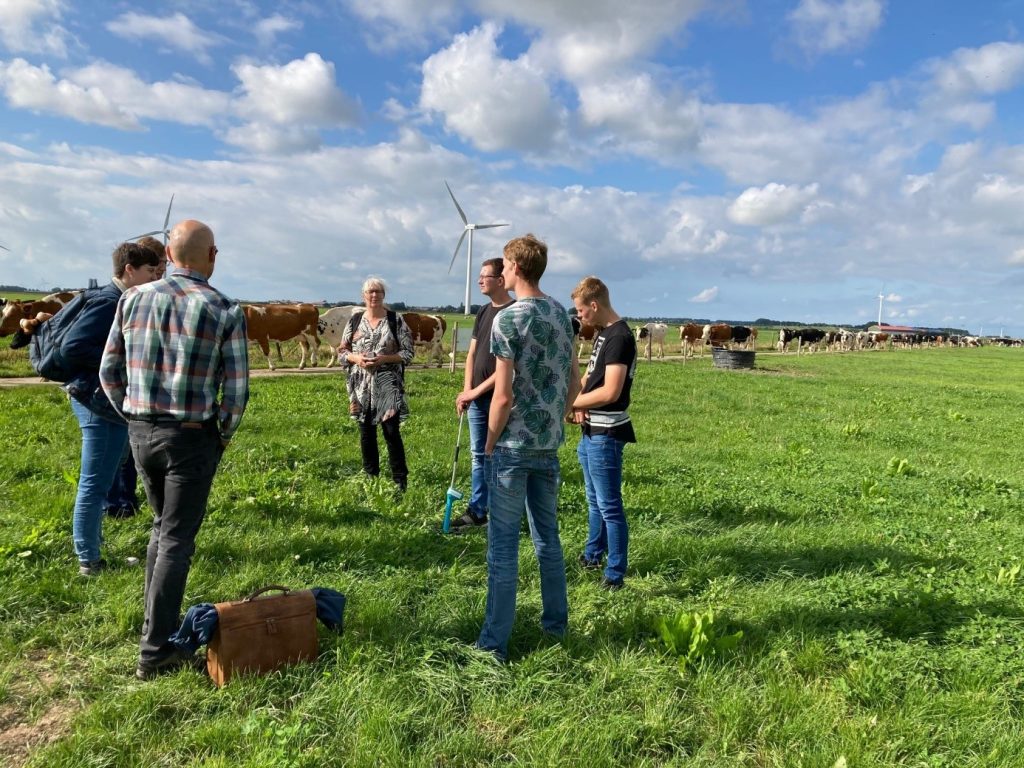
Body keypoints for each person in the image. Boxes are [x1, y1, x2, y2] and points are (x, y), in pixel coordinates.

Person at [100, 219, 249, 680]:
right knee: (177, 540)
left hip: (143, 433)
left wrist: (133, 416)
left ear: (168, 252)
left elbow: (108, 371)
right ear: (212, 256)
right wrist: (220, 434)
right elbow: (237, 390)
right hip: (190, 436)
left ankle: (152, 629)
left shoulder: (132, 299)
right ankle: (155, 651)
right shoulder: (224, 308)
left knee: (161, 531)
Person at [478, 234, 580, 660]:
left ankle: (494, 644)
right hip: (548, 446)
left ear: (516, 268)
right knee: (548, 540)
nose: (500, 271)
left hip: (512, 447)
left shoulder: (509, 320)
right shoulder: (561, 314)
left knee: (503, 546)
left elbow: (501, 397)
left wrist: (487, 445)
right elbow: (574, 382)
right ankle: (555, 625)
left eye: (503, 264)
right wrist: (556, 417)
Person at [63, 242, 162, 575]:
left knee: (102, 480)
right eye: (150, 271)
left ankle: (92, 547)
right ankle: (88, 560)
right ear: (130, 269)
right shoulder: (109, 301)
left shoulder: (115, 298)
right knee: (94, 483)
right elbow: (74, 346)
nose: (154, 277)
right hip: (98, 403)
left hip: (103, 400)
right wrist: (120, 361)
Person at [569, 276, 637, 591]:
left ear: (594, 306)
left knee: (609, 505)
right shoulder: (603, 334)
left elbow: (610, 391)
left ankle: (614, 574)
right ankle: (593, 554)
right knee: (594, 501)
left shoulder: (620, 337)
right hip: (591, 429)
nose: (580, 317)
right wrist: (577, 404)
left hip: (607, 432)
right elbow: (590, 377)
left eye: (581, 311)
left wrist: (569, 402)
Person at [103, 236, 167, 520]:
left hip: (131, 392)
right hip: (123, 395)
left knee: (129, 453)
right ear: (134, 268)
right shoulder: (115, 300)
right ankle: (118, 503)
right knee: (121, 453)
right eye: (157, 266)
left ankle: (126, 501)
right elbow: (106, 361)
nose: (161, 272)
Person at [453, 257, 514, 529]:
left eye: (484, 276)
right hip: (476, 399)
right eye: (478, 276)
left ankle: (503, 509)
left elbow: (507, 370)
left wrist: (476, 390)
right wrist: (467, 390)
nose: (479, 280)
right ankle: (478, 511)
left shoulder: (513, 312)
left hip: (498, 397)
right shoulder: (482, 311)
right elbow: (472, 354)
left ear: (500, 280)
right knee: (479, 454)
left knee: (498, 454)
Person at [338, 277, 414, 491]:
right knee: (366, 434)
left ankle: (400, 481)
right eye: (370, 292)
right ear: (364, 296)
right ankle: (371, 477)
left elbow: (408, 353)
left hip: (388, 387)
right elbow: (342, 352)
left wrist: (384, 359)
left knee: (391, 433)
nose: (374, 295)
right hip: (361, 389)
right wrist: (357, 359)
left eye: (378, 292)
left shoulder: (394, 320)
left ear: (383, 295)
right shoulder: (354, 321)